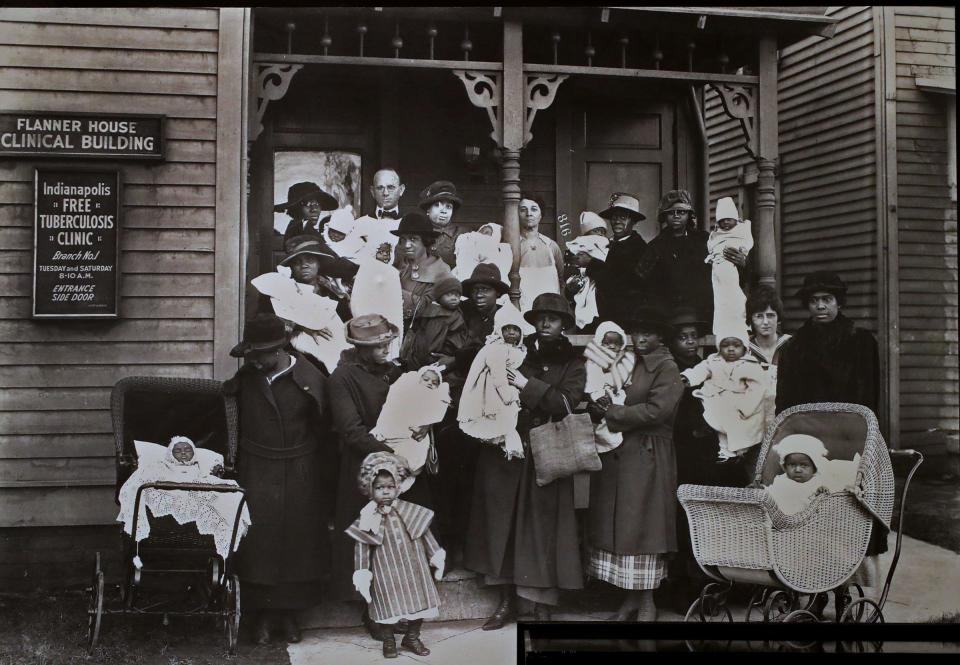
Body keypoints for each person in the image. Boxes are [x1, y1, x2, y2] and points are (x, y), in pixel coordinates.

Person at [465, 293, 586, 628]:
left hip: (546, 450)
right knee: (501, 522)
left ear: (564, 325)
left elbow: (564, 403)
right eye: (540, 318)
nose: (545, 324)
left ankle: (542, 605)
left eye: (554, 318)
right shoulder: (513, 348)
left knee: (542, 528)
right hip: (506, 446)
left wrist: (525, 383)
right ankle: (506, 601)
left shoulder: (573, 361)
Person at [223, 313, 336, 644]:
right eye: (252, 355)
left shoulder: (311, 380)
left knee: (297, 545)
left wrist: (320, 478)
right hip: (256, 469)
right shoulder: (246, 379)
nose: (256, 360)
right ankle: (259, 616)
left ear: (280, 348)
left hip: (301, 470)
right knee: (257, 543)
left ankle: (288, 616)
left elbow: (325, 431)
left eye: (261, 354)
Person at [328, 315, 433, 621]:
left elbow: (420, 405)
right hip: (366, 469)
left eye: (387, 341)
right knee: (370, 539)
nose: (386, 348)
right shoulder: (342, 379)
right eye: (378, 345)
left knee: (401, 539)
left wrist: (423, 428)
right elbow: (352, 430)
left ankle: (403, 606)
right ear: (360, 348)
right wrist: (393, 457)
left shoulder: (399, 372)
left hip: (404, 471)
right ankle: (371, 611)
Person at [586, 307, 684, 622]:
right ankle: (631, 599)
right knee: (627, 528)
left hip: (650, 453)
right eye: (637, 332)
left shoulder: (666, 368)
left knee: (644, 527)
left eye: (649, 333)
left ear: (661, 336)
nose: (640, 338)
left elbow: (657, 411)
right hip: (626, 452)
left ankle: (647, 604)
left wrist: (612, 412)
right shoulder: (630, 361)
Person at [347, 453, 445, 659]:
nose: (385, 492)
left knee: (419, 603)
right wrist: (363, 572)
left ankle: (412, 636)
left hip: (413, 568)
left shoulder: (408, 511)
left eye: (390, 487)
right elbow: (362, 548)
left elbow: (423, 533)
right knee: (386, 606)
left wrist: (435, 554)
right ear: (369, 488)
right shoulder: (368, 518)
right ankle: (388, 639)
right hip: (386, 572)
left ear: (397, 487)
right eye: (379, 487)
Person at [776, 270, 880, 415]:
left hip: (850, 428)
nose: (820, 306)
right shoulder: (793, 347)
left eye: (827, 299)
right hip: (807, 430)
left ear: (839, 303)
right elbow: (785, 402)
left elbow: (870, 396)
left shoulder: (862, 342)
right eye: (813, 300)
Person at [646, 190, 748, 321]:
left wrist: (741, 265)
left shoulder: (706, 240)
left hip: (704, 314)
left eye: (681, 212)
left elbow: (726, 271)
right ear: (664, 217)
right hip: (670, 316)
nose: (676, 216)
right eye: (671, 213)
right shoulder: (655, 247)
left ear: (689, 215)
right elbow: (646, 286)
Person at [680, 325, 767, 463]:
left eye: (736, 345)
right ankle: (720, 445)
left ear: (744, 347)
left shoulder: (750, 365)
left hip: (737, 402)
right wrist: (688, 377)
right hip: (715, 397)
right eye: (725, 345)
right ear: (719, 347)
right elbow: (702, 369)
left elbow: (757, 388)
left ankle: (736, 451)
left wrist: (746, 407)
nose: (731, 349)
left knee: (735, 424)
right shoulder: (713, 360)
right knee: (714, 418)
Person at [457, 302, 529, 461]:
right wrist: (509, 395)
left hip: (501, 386)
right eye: (507, 328)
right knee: (499, 415)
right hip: (490, 388)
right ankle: (504, 441)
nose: (511, 332)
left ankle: (507, 441)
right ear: (499, 330)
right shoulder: (496, 348)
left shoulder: (515, 349)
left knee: (507, 417)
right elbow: (498, 376)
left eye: (516, 329)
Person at [370, 366, 452, 486]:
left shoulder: (436, 396)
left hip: (415, 434)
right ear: (418, 380)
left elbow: (437, 411)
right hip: (398, 428)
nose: (429, 383)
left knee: (412, 456)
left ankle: (400, 480)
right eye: (426, 379)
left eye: (434, 383)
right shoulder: (409, 389)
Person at [583, 193, 656, 328]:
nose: (617, 221)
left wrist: (591, 264)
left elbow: (624, 286)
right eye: (614, 217)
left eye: (623, 217)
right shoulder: (604, 244)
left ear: (634, 221)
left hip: (625, 321)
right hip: (599, 320)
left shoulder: (641, 250)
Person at [392, 212, 454, 327]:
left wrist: (393, 291)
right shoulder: (399, 265)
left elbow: (435, 310)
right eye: (403, 239)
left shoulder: (441, 272)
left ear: (426, 241)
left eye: (413, 239)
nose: (406, 245)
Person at [746, 286, 792, 438]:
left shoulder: (792, 346)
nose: (766, 322)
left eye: (771, 315)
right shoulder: (744, 350)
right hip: (752, 426)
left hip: (785, 423)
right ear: (750, 320)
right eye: (759, 316)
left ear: (778, 318)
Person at [281, 235, 358, 325]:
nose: (304, 265)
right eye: (297, 262)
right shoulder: (286, 293)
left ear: (319, 264)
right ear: (291, 267)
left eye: (309, 260)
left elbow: (346, 321)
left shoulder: (332, 292)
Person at [583, 321, 636, 451]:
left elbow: (627, 378)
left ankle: (615, 440)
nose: (612, 347)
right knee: (601, 424)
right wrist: (598, 394)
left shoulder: (624, 360)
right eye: (607, 343)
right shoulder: (594, 361)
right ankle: (603, 444)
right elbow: (591, 379)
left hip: (617, 396)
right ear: (599, 343)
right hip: (599, 396)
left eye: (616, 343)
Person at [401, 276, 469, 374]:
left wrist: (446, 353)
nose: (454, 298)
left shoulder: (456, 317)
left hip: (437, 358)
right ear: (439, 295)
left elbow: (457, 340)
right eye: (449, 294)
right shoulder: (427, 310)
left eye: (457, 295)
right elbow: (417, 331)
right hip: (418, 356)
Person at [706, 197, 753, 337]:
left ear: (735, 219)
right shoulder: (715, 235)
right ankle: (721, 327)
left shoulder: (741, 232)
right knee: (720, 301)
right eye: (722, 220)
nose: (725, 223)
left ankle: (743, 323)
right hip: (717, 270)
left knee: (736, 297)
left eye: (729, 219)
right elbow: (713, 247)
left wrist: (742, 256)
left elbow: (746, 244)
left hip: (733, 271)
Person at [761, 435, 832, 516]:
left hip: (812, 522)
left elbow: (829, 503)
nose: (797, 470)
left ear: (814, 467)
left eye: (804, 465)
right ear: (784, 466)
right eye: (792, 465)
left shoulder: (818, 481)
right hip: (784, 521)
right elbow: (772, 495)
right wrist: (762, 490)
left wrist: (822, 492)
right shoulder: (782, 481)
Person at [517, 194, 565, 313]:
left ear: (540, 215)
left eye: (534, 209)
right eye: (523, 210)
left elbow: (561, 279)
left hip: (549, 310)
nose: (529, 213)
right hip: (521, 310)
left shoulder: (551, 246)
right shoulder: (511, 245)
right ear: (516, 214)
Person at [275, 181, 340, 250]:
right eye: (308, 204)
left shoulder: (304, 228)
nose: (314, 209)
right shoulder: (298, 230)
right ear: (296, 207)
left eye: (318, 204)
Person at [419, 180, 465, 270]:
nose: (443, 211)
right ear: (428, 209)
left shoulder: (463, 234)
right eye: (437, 205)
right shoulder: (417, 233)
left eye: (448, 207)